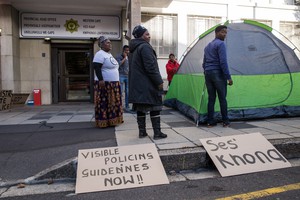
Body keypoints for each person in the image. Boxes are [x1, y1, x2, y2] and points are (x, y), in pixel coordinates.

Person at [128, 25, 167, 140]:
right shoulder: (145, 47)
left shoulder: (133, 49)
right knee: (155, 106)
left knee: (141, 107)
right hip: (148, 83)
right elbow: (150, 67)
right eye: (146, 34)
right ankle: (157, 133)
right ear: (141, 36)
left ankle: (142, 132)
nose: (149, 36)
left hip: (138, 84)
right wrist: (159, 81)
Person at [202, 25, 233, 128]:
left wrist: (206, 72)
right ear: (216, 33)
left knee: (211, 98)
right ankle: (225, 121)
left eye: (226, 33)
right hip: (218, 74)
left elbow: (204, 63)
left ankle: (210, 122)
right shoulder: (221, 44)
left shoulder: (207, 46)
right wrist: (228, 77)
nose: (225, 35)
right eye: (223, 32)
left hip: (208, 74)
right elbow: (223, 62)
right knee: (222, 98)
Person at [92, 36, 123, 128]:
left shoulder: (109, 54)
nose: (110, 44)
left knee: (112, 103)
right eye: (107, 43)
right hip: (105, 83)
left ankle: (113, 120)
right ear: (101, 45)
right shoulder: (100, 54)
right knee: (104, 102)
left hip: (113, 84)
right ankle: (104, 121)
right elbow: (96, 67)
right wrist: (101, 79)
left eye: (110, 42)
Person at [116, 45, 130, 110]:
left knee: (127, 92)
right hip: (121, 75)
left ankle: (127, 106)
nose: (127, 52)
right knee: (121, 91)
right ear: (123, 50)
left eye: (128, 50)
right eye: (126, 50)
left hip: (128, 76)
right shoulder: (119, 56)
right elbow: (118, 64)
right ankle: (119, 106)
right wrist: (124, 58)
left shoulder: (129, 56)